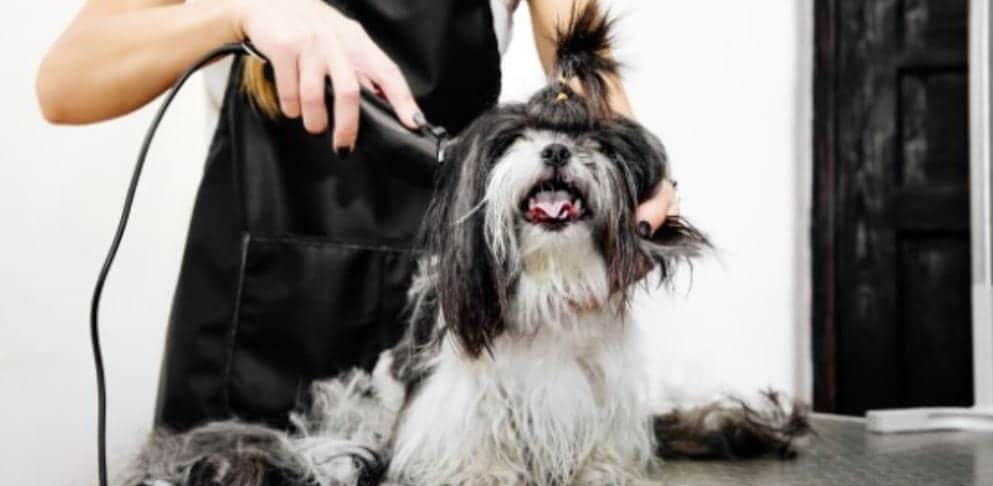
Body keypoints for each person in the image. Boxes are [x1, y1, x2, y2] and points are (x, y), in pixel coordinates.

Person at [37, 0, 679, 431]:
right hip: (252, 327)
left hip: (447, 341)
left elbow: (591, 88)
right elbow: (67, 81)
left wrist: (640, 183)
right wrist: (242, 13)